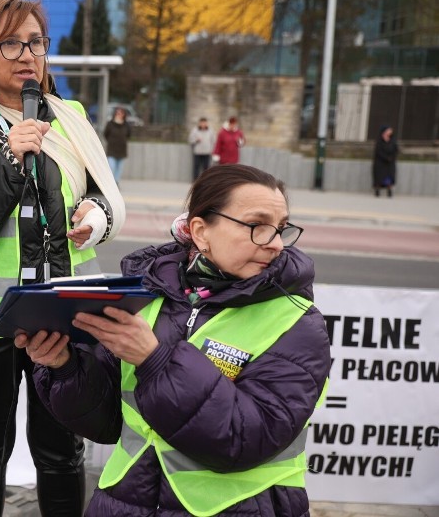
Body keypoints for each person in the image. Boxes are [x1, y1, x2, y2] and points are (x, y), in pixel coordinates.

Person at [16, 164, 331, 516]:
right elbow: (104, 422)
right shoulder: (148, 294)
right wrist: (63, 367)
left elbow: (246, 439)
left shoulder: (298, 323)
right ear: (200, 230)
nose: (274, 244)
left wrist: (155, 360)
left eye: (281, 229)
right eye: (257, 227)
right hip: (126, 502)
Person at [0, 0, 126, 517]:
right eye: (9, 43)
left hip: (61, 311)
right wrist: (11, 157)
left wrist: (97, 217)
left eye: (34, 41)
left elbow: (100, 191)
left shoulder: (70, 117)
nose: (25, 54)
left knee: (61, 451)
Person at [103, 106, 132, 184]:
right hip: (112, 149)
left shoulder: (126, 125)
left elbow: (129, 135)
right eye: (118, 113)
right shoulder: (110, 124)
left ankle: (116, 182)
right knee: (111, 166)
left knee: (119, 168)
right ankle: (111, 182)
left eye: (121, 113)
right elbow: (105, 134)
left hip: (122, 150)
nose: (119, 114)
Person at [372, 125, 399, 198]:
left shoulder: (393, 140)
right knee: (379, 176)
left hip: (389, 163)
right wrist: (385, 157)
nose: (390, 131)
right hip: (380, 162)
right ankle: (377, 189)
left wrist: (391, 157)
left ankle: (389, 189)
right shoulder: (379, 141)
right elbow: (378, 151)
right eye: (388, 130)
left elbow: (396, 150)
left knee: (388, 177)